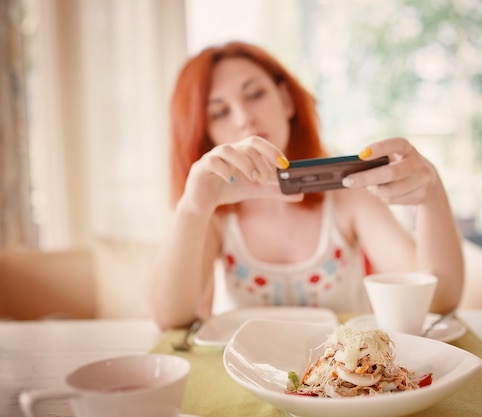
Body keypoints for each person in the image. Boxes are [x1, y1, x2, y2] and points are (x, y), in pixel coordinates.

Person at [148, 41, 464, 330]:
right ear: (206, 135)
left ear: (286, 100)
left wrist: (432, 196)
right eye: (219, 112)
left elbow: (435, 302)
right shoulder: (217, 216)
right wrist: (191, 209)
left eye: (255, 94)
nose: (244, 118)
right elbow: (170, 320)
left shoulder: (347, 197)